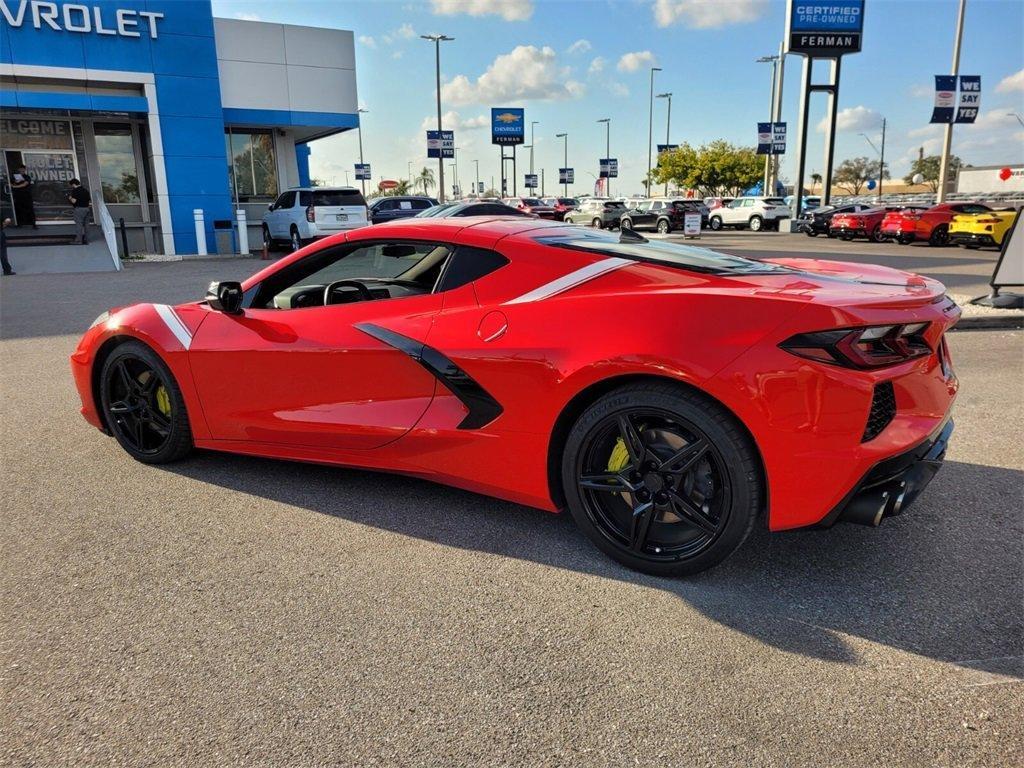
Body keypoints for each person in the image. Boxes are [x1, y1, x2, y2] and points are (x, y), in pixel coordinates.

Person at [10, 164, 37, 229]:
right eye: (20, 169)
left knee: (30, 210)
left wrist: (15, 186)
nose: (22, 170)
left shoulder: (27, 177)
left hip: (27, 196)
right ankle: (20, 224)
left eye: (23, 169)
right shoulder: (14, 177)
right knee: (19, 210)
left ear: (25, 170)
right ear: (18, 169)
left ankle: (33, 224)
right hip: (19, 196)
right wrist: (15, 183)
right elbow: (10, 183)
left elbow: (25, 184)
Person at [67, 179, 91, 245]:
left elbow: (74, 201)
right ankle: (87, 239)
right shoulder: (85, 190)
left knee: (79, 225)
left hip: (79, 209)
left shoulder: (75, 191)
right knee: (86, 225)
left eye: (72, 185)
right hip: (87, 208)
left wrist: (70, 198)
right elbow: (88, 200)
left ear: (74, 184)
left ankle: (78, 241)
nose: (72, 187)